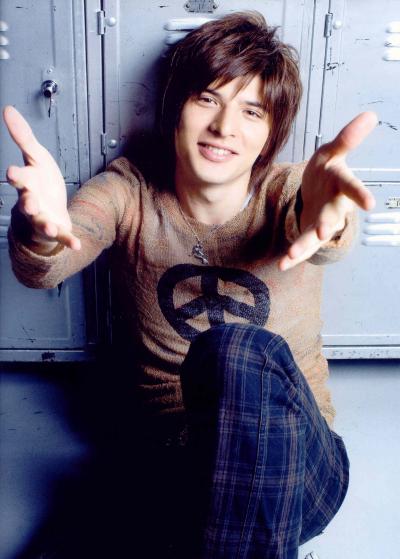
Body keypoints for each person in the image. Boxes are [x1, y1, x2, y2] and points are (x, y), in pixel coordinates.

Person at [3, 11, 377, 559]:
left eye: (252, 111)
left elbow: (322, 232)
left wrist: (330, 218)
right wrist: (38, 230)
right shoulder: (129, 190)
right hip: (177, 465)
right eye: (207, 99)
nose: (225, 126)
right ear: (174, 107)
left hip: (299, 472)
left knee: (234, 350)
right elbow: (48, 263)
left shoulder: (289, 189)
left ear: (271, 134)